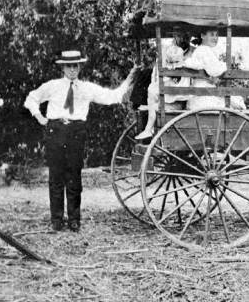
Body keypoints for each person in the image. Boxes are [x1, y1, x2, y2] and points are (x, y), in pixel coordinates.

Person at [24, 50, 136, 232]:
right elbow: (31, 99)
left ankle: (74, 220)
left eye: (75, 66)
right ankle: (57, 220)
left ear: (79, 67)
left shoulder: (86, 88)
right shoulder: (52, 86)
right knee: (56, 176)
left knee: (74, 176)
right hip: (56, 130)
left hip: (76, 132)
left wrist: (130, 77)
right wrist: (40, 118)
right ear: (62, 67)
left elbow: (112, 96)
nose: (72, 70)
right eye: (69, 66)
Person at [135, 42, 192, 140]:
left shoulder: (183, 73)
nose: (173, 66)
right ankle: (150, 130)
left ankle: (149, 129)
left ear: (181, 61)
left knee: (153, 97)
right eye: (170, 62)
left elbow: (178, 94)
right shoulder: (172, 73)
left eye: (176, 62)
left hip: (177, 104)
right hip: (169, 102)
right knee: (152, 93)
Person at [183, 27, 246, 110]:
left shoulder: (202, 49)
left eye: (217, 35)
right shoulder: (204, 50)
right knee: (234, 104)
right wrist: (227, 65)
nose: (215, 38)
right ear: (202, 35)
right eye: (212, 35)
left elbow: (210, 70)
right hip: (203, 94)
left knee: (234, 101)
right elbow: (214, 70)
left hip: (202, 90)